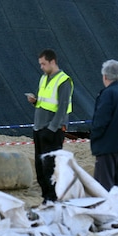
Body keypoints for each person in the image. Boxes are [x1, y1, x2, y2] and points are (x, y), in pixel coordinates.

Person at [25, 49, 73, 206]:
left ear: (53, 62)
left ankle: (53, 199)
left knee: (50, 167)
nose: (41, 67)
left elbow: (62, 108)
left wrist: (52, 129)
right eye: (40, 64)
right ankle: (47, 198)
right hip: (39, 127)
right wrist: (35, 101)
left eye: (44, 64)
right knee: (40, 167)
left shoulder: (64, 80)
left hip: (52, 130)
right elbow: (45, 102)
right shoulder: (44, 78)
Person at [89, 59, 118, 190]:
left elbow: (100, 121)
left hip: (106, 148)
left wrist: (94, 137)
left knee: (103, 189)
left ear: (105, 76)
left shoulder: (108, 94)